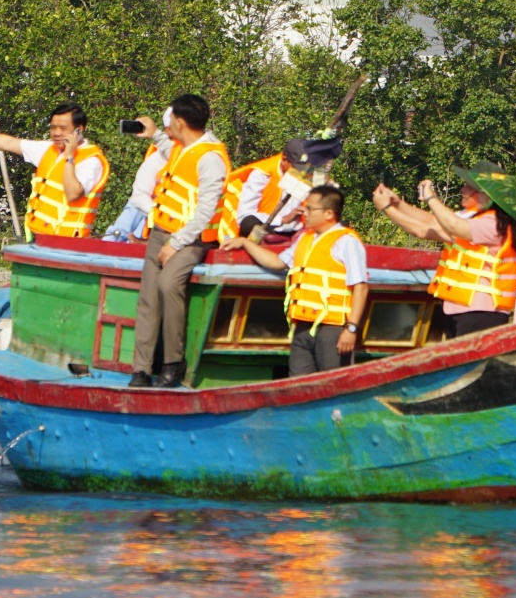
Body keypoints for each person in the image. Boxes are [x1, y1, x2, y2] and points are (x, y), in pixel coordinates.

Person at [127, 94, 230, 388]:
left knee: (168, 285)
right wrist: (153, 134)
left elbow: (206, 210)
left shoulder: (210, 157)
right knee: (148, 298)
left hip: (192, 238)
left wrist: (176, 243)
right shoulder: (182, 146)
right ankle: (142, 369)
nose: (168, 125)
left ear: (181, 122)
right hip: (161, 230)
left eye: (170, 120)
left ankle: (173, 363)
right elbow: (167, 148)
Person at [223, 184, 368, 375]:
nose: (303, 212)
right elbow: (277, 262)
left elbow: (361, 286)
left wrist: (351, 329)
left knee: (333, 383)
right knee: (298, 382)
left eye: (310, 208)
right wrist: (245, 243)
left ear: (328, 214)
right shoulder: (304, 239)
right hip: (302, 325)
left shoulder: (346, 242)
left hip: (332, 328)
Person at [371, 163, 516, 337]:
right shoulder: (472, 218)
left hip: (482, 312)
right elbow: (429, 224)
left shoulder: (495, 225)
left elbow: (451, 225)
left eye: (469, 187)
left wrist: (430, 199)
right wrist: (397, 204)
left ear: (485, 196)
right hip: (458, 309)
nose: (463, 189)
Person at [0, 103, 110, 241]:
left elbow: (73, 194)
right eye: (53, 127)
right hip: (38, 237)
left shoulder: (91, 161)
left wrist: (69, 157)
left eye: (63, 128)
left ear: (79, 130)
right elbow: (8, 143)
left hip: (69, 243)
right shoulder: (48, 149)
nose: (56, 133)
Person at [217, 134, 343, 244]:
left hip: (297, 231)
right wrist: (282, 220)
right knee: (248, 223)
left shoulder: (308, 174)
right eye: (296, 168)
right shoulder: (262, 174)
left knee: (336, 225)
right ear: (284, 160)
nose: (301, 173)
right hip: (267, 228)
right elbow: (244, 216)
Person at [102, 109, 172, 242]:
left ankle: (117, 240)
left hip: (172, 223)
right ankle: (113, 240)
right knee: (136, 203)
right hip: (155, 216)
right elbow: (139, 196)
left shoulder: (199, 155)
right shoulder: (158, 158)